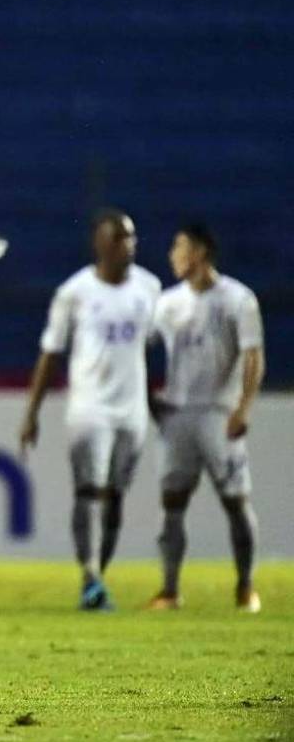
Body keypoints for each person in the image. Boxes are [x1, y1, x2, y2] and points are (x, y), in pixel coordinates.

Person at [19, 209, 160, 611]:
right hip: (89, 408)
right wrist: (31, 412)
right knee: (89, 491)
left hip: (131, 411)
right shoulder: (74, 292)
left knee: (115, 496)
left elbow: (147, 348)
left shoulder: (149, 288)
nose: (128, 245)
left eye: (131, 237)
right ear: (99, 244)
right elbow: (50, 355)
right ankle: (90, 577)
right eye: (119, 238)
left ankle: (101, 573)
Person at [147, 224, 264, 612]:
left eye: (177, 247)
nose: (171, 255)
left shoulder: (238, 299)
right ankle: (169, 590)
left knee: (235, 500)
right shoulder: (167, 303)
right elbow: (138, 350)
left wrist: (243, 408)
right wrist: (149, 400)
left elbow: (253, 356)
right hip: (177, 415)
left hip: (219, 414)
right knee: (172, 501)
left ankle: (246, 587)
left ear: (198, 252)